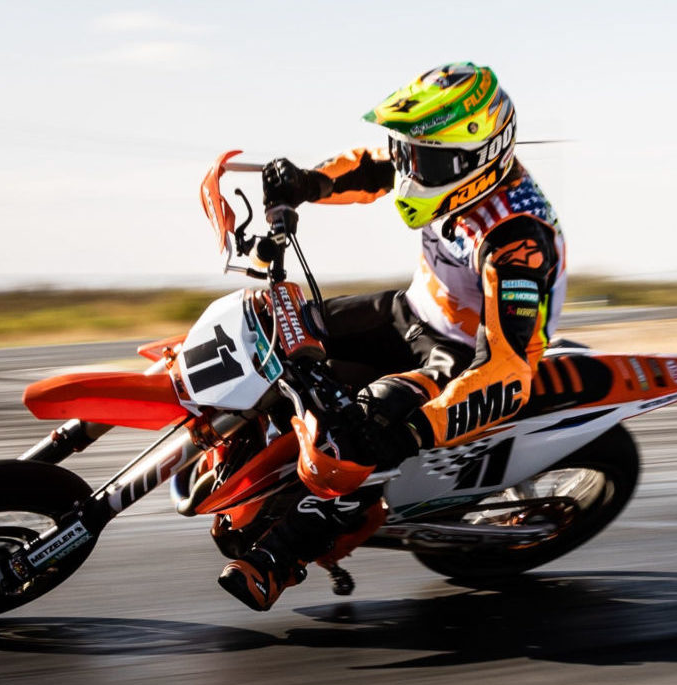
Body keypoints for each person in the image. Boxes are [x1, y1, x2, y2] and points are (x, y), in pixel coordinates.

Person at [217, 61, 567, 611]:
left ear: (475, 158)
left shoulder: (517, 241)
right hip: (410, 311)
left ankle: (281, 559)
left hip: (462, 355)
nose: (407, 168)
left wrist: (411, 431)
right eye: (408, 149)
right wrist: (308, 182)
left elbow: (508, 369)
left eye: (421, 158)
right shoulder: (445, 170)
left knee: (365, 431)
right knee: (278, 328)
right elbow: (376, 169)